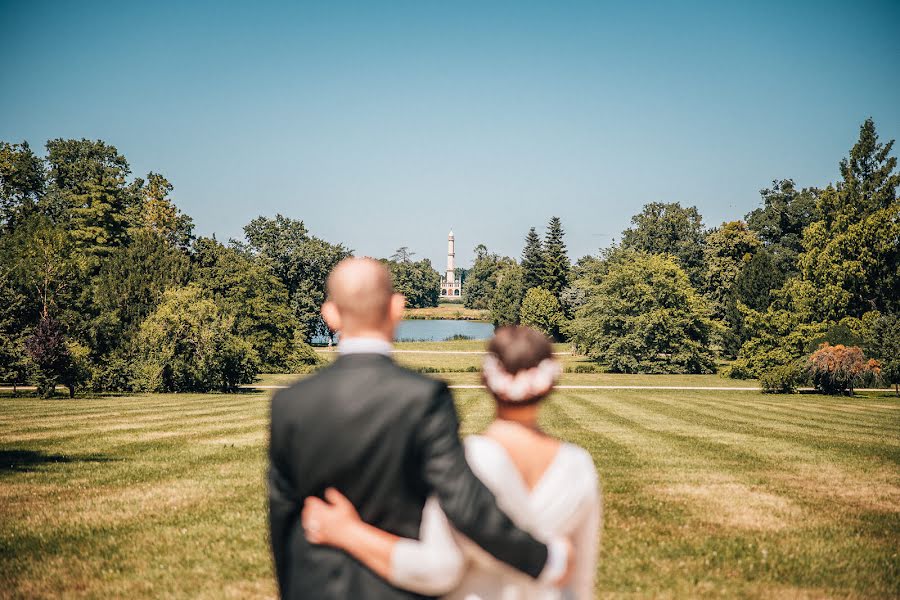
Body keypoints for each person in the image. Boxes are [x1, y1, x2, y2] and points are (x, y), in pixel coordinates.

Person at [268, 258, 573, 599]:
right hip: (396, 589)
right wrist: (543, 559)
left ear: (330, 314)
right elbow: (464, 501)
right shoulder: (424, 398)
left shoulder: (289, 404)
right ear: (397, 308)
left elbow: (282, 518)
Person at [302, 326, 602, 600]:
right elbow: (581, 580)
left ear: (486, 379)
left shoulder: (466, 459)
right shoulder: (578, 465)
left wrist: (350, 533)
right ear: (550, 381)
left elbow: (439, 569)